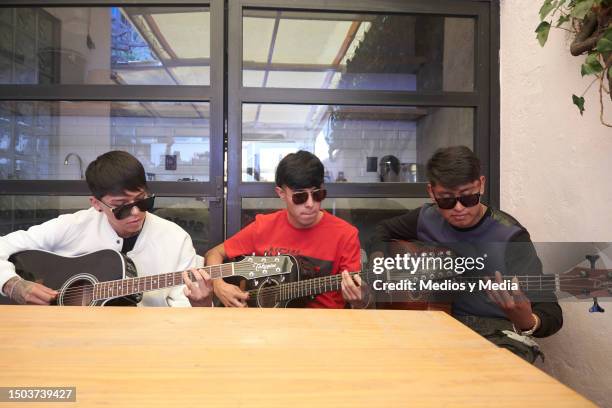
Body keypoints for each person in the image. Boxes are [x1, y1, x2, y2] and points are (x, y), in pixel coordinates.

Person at [373, 146, 562, 362]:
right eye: (446, 199)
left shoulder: (510, 236)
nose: (459, 208)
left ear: (481, 184)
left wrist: (528, 321)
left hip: (494, 332)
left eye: (468, 198)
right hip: (435, 322)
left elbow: (551, 312)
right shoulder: (427, 217)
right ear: (431, 192)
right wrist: (381, 265)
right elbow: (382, 231)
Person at [0, 151, 212, 307]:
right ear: (96, 204)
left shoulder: (175, 238)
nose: (136, 212)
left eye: (143, 201)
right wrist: (12, 284)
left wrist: (201, 303)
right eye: (121, 206)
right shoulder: (71, 226)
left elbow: (185, 311)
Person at [207, 150, 369, 309]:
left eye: (317, 194)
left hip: (323, 329)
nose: (310, 204)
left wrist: (359, 299)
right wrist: (218, 284)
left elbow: (358, 298)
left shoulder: (345, 234)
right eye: (300, 196)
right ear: (281, 193)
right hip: (267, 326)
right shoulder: (263, 226)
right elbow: (214, 253)